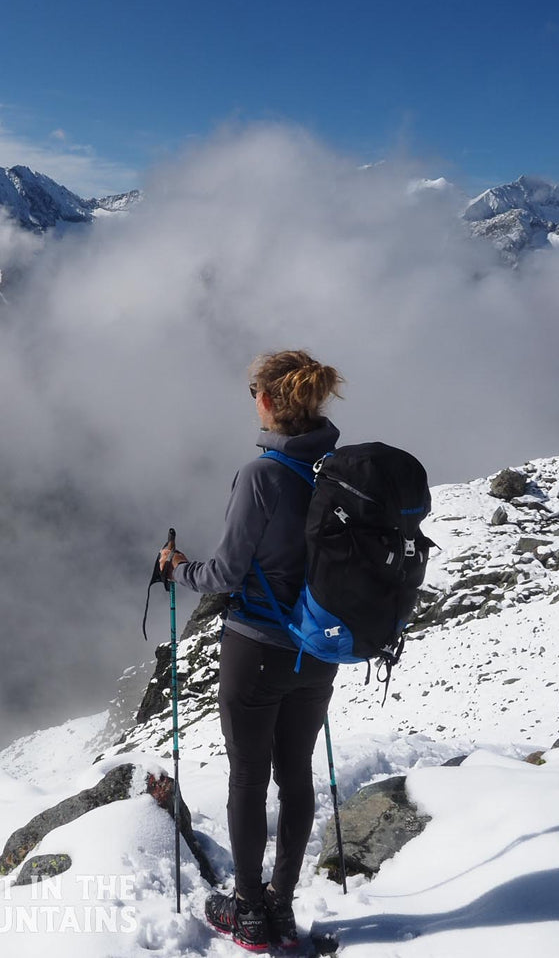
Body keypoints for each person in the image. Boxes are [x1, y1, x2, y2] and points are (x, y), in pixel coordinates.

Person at [158, 349, 344, 952]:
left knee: (248, 779)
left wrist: (178, 568)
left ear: (267, 401)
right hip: (316, 651)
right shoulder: (337, 471)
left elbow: (228, 574)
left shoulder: (261, 475)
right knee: (295, 776)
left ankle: (248, 910)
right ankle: (282, 907)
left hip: (258, 649)